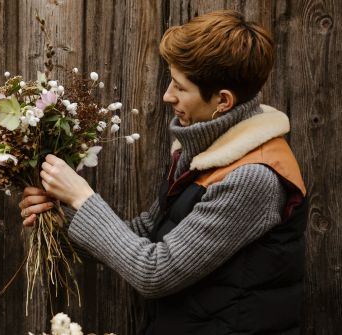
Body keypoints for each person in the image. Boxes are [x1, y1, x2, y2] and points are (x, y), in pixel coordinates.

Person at [19, 10, 307, 335]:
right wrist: (60, 220)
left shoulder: (252, 176)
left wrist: (82, 198)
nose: (167, 95)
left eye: (181, 88)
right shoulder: (206, 149)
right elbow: (148, 233)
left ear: (222, 101)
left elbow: (155, 272)